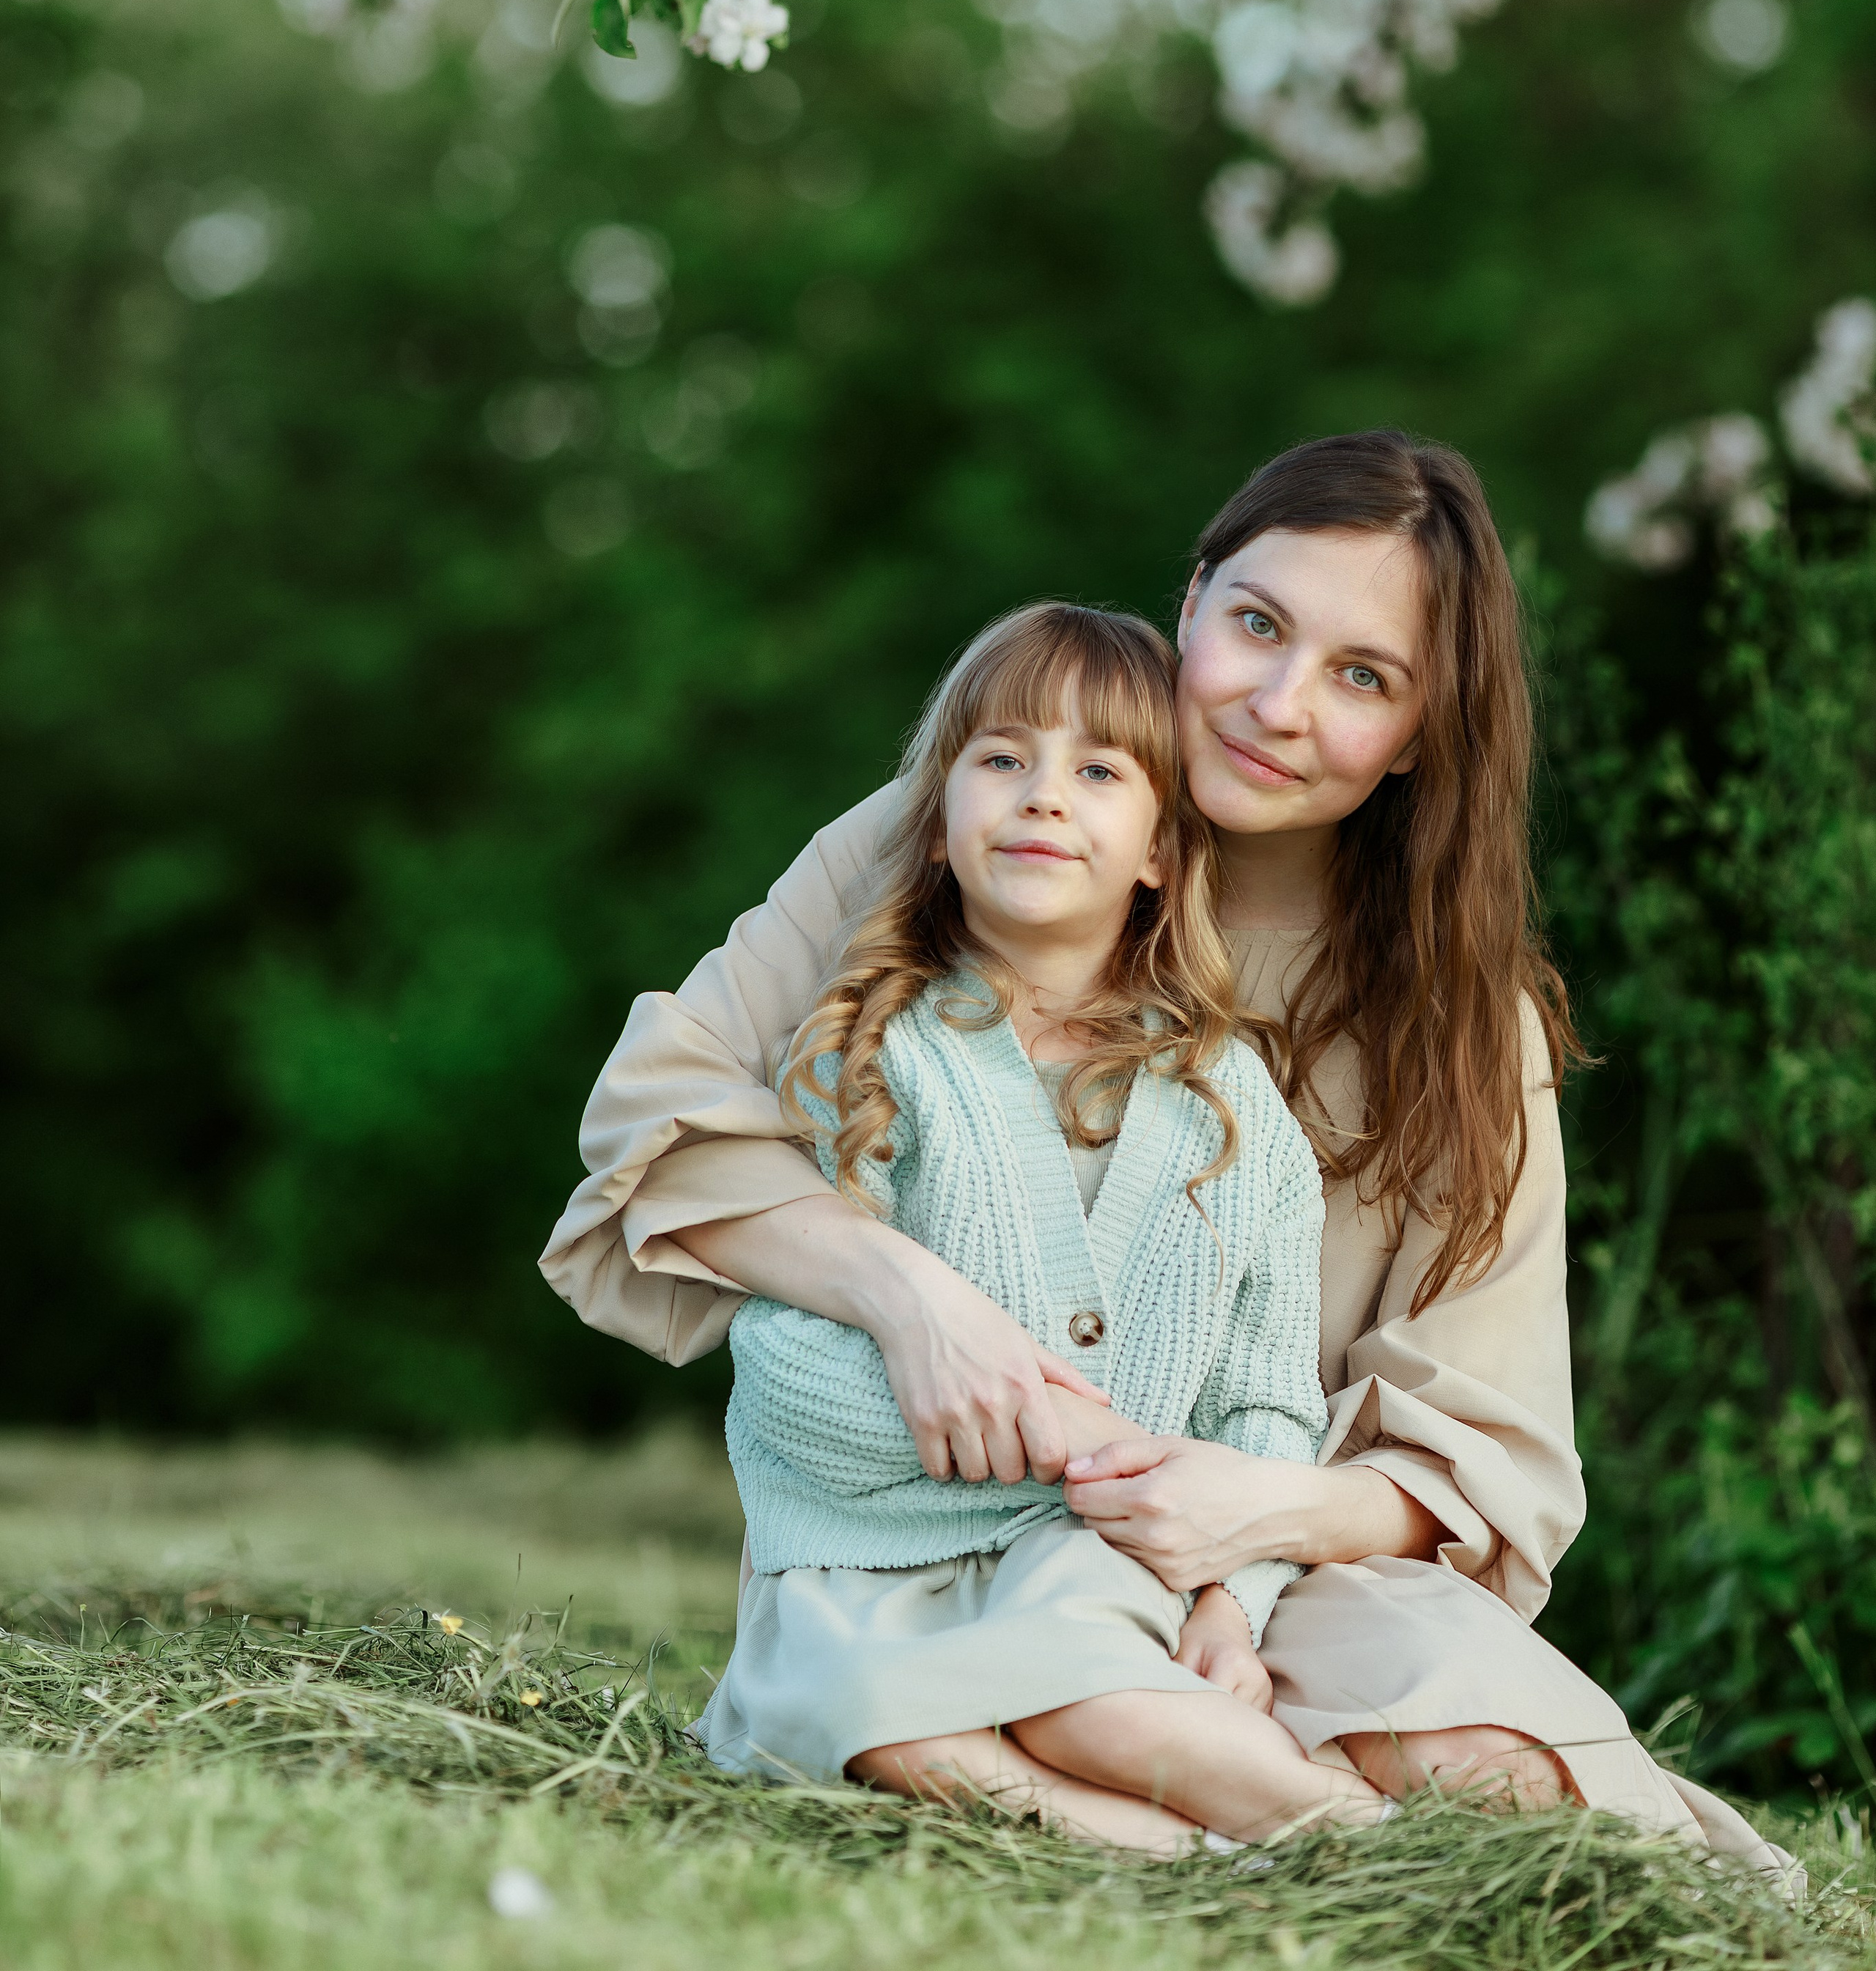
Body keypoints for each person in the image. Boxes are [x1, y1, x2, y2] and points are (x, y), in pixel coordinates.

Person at [542, 430, 1781, 1871]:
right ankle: (1218, 1839)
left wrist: (1241, 1523)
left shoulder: (1458, 1019)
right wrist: (910, 1299)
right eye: (1255, 625)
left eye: (1360, 677)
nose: (1275, 703)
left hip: (1277, 1565)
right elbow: (658, 1115)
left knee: (1490, 1779)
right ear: (1190, 602)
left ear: (1421, 734)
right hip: (919, 1539)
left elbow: (1483, 1470)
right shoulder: (962, 833)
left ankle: (1313, 1834)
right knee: (959, 1737)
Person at [698, 598, 1387, 1847]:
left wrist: (1237, 1594)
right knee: (886, 1730)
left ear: (1163, 853)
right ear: (943, 812)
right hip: (864, 1562)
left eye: (1098, 770)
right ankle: (1196, 1859)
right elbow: (786, 1356)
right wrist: (1041, 1430)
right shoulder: (863, 1053)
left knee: (1101, 1711)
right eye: (1003, 760)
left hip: (1093, 1566)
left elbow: (1268, 1404)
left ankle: (1366, 1843)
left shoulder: (1232, 1111)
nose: (1043, 796)